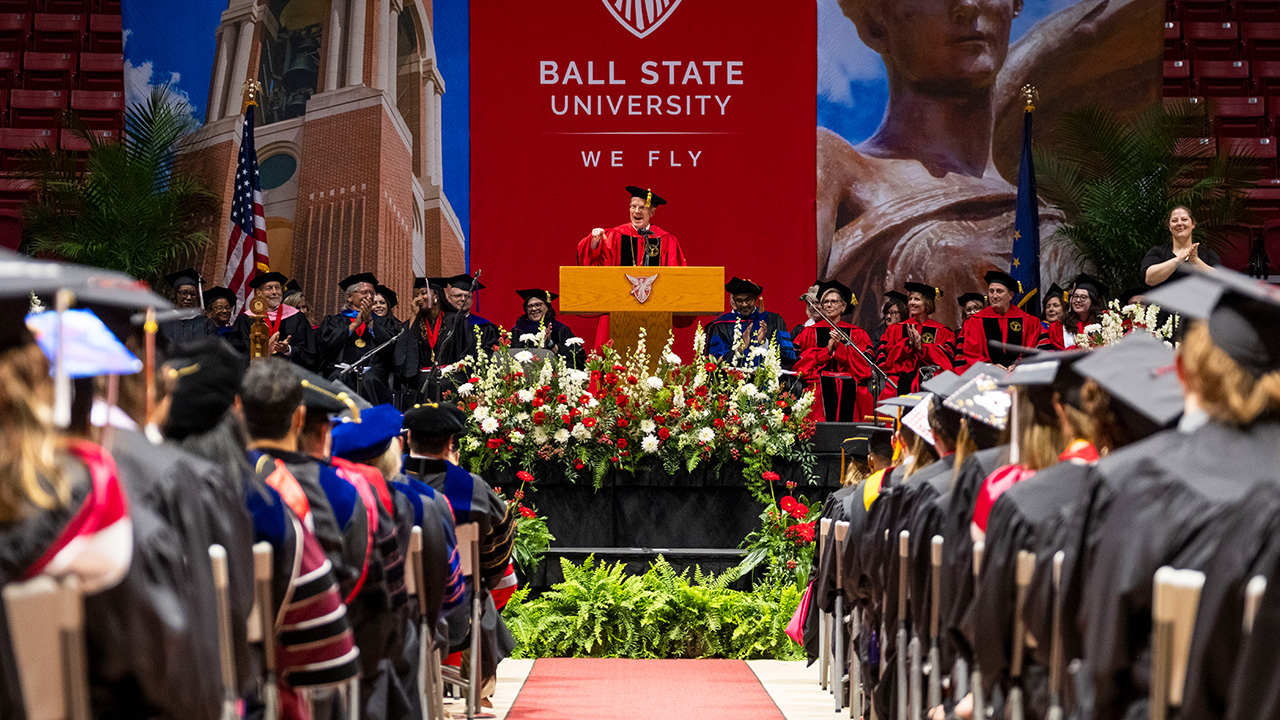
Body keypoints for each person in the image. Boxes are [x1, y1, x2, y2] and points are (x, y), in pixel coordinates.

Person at [817, 0, 1150, 329]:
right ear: (874, 24)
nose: (967, 5)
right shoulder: (838, 165)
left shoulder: (1035, 203)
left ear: (1015, 4)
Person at [401, 402, 516, 698]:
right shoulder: (473, 489)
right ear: (451, 443)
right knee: (479, 593)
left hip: (394, 607)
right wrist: (481, 582)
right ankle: (476, 686)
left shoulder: (383, 482)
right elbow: (499, 543)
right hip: (455, 611)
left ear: (408, 438)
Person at [793, 280, 876, 422]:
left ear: (843, 307)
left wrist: (840, 350)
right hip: (818, 380)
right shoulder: (809, 332)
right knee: (817, 390)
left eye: (834, 301)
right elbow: (798, 363)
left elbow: (865, 367)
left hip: (851, 379)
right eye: (825, 302)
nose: (829, 305)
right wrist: (827, 351)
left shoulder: (857, 333)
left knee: (856, 390)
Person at [317, 272, 396, 404]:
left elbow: (390, 348)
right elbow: (325, 346)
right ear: (350, 297)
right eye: (364, 292)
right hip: (341, 369)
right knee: (338, 378)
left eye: (372, 293)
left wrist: (370, 322)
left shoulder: (383, 322)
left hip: (372, 371)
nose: (369, 297)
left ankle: (372, 416)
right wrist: (353, 326)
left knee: (370, 380)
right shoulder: (334, 321)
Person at [394, 277, 476, 403]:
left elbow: (468, 348)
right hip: (425, 375)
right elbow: (406, 347)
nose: (419, 298)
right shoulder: (417, 322)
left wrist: (459, 367)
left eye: (423, 293)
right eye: (417, 295)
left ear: (436, 296)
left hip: (452, 373)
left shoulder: (455, 320)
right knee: (426, 383)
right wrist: (413, 315)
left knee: (449, 382)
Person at [577, 185, 688, 267]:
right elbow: (594, 264)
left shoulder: (665, 240)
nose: (636, 211)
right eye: (633, 206)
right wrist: (595, 242)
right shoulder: (615, 236)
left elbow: (676, 276)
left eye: (642, 207)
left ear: (652, 212)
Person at [876, 282, 955, 393]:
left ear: (927, 303)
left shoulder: (942, 331)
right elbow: (886, 357)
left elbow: (946, 360)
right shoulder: (896, 329)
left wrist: (922, 348)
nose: (911, 303)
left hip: (931, 378)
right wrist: (907, 345)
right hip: (899, 377)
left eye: (917, 299)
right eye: (910, 299)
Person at [958, 270, 1043, 371]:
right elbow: (970, 354)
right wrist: (990, 367)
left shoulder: (1029, 321)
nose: (994, 296)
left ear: (1010, 295)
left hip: (1019, 375)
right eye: (991, 291)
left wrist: (1019, 364)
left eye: (999, 291)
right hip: (986, 376)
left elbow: (1033, 350)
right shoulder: (974, 322)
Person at [706, 277, 796, 366]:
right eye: (739, 301)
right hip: (733, 375)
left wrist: (764, 342)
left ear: (756, 299)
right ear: (733, 300)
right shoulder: (721, 325)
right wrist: (740, 348)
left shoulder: (774, 320)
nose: (744, 304)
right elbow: (716, 360)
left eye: (748, 300)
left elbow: (788, 357)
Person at [232, 271, 315, 368]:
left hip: (288, 372)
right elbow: (237, 353)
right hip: (257, 372)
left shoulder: (297, 317)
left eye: (278, 288)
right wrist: (263, 352)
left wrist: (288, 349)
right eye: (269, 288)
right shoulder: (246, 319)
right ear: (259, 293)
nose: (275, 292)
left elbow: (309, 351)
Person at [1142, 205, 1221, 287]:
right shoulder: (1157, 252)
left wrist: (1196, 261)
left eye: (1184, 219)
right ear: (1169, 226)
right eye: (1174, 220)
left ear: (1193, 224)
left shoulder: (1207, 254)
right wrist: (1179, 259)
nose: (1179, 223)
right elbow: (1149, 279)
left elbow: (1219, 281)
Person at [511, 288, 585, 368]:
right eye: (529, 306)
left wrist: (551, 344)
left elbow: (578, 359)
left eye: (538, 305)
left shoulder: (560, 329)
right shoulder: (518, 330)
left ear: (547, 306)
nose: (534, 309)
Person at [1040, 273, 1107, 350]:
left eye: (1083, 297)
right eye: (1075, 296)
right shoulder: (1058, 328)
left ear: (1092, 301)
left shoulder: (1104, 326)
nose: (1078, 300)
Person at [158, 267, 218, 344]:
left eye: (193, 294)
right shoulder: (164, 322)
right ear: (175, 295)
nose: (189, 298)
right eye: (184, 293)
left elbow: (213, 348)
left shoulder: (206, 323)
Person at [442, 274, 499, 353]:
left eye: (467, 296)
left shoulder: (484, 326)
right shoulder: (442, 323)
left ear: (472, 300)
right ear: (449, 298)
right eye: (458, 296)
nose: (463, 299)